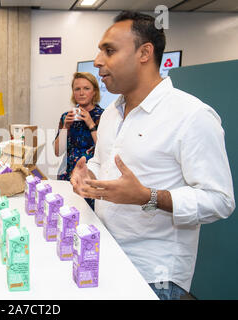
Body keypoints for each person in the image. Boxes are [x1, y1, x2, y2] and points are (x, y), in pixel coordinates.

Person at [70, 11, 235, 300]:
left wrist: (148, 196)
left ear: (145, 52)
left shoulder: (192, 115)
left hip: (154, 275)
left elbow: (220, 201)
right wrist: (88, 174)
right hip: (105, 251)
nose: (97, 61)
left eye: (109, 51)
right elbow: (102, 162)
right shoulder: (112, 112)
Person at [53, 72, 103, 210]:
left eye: (86, 88)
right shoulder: (66, 117)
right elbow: (58, 152)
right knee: (67, 214)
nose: (81, 93)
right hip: (68, 177)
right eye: (77, 89)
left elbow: (105, 151)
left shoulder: (103, 116)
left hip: (91, 179)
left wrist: (91, 124)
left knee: (89, 219)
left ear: (94, 92)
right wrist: (65, 127)